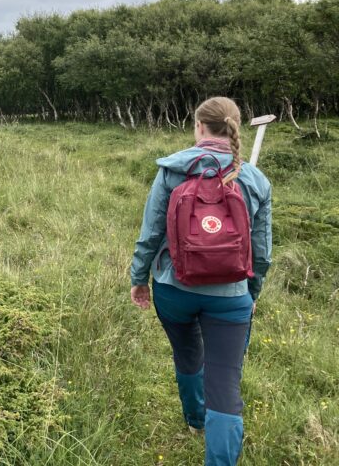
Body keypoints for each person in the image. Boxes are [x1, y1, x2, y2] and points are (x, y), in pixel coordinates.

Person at [129, 97, 272, 465]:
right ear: (234, 128)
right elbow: (261, 251)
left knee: (188, 354)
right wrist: (250, 291)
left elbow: (150, 233)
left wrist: (139, 278)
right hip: (231, 296)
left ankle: (194, 419)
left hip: (173, 288)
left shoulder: (171, 170)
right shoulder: (255, 180)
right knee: (225, 384)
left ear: (198, 127)